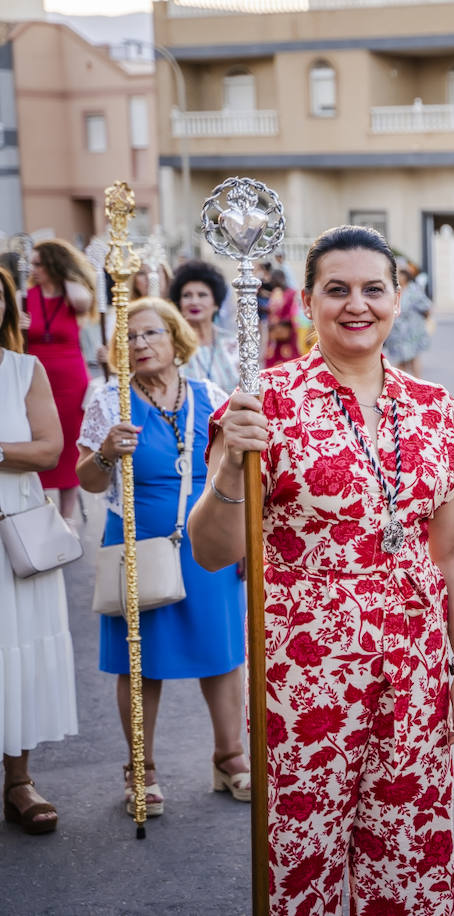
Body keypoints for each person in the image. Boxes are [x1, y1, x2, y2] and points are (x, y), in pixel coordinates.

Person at [188, 226, 454, 915]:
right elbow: (211, 550)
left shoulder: (435, 409)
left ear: (397, 298)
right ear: (307, 301)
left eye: (373, 289)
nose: (358, 305)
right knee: (302, 858)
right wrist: (232, 465)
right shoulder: (266, 404)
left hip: (414, 668)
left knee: (411, 853)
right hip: (304, 676)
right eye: (338, 289)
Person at [75, 297, 247, 819]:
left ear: (176, 338)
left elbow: (235, 470)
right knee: (140, 660)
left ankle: (229, 757)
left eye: (151, 333)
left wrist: (243, 535)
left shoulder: (210, 395)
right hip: (137, 539)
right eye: (128, 336)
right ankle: (141, 770)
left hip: (207, 537)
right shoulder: (110, 401)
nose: (140, 344)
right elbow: (87, 479)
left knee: (221, 654)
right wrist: (106, 452)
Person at [0, 267, 79, 835]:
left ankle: (18, 780)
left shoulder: (23, 370)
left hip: (13, 529)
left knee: (16, 645)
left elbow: (51, 449)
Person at [24, 239, 96, 521]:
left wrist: (65, 274)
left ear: (54, 264)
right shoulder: (26, 297)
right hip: (36, 378)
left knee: (68, 444)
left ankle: (68, 519)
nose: (34, 269)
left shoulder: (72, 296)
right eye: (32, 264)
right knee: (37, 438)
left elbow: (83, 300)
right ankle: (40, 510)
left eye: (39, 263)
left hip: (70, 380)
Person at [170, 260, 239, 392]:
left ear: (216, 303)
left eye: (202, 295)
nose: (194, 302)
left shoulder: (233, 343)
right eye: (187, 295)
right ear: (179, 303)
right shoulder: (172, 346)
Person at [383, 261, 432, 375]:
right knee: (402, 360)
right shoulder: (393, 290)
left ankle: (416, 384)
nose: (397, 276)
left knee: (412, 359)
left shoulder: (413, 290)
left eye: (399, 274)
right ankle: (403, 385)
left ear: (405, 275)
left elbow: (427, 307)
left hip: (411, 332)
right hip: (397, 334)